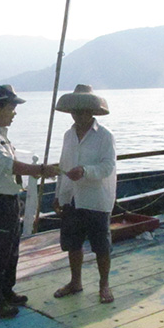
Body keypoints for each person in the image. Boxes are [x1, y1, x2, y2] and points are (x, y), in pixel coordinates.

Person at [0, 84, 60, 318]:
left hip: (8, 198)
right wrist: (39, 170)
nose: (14, 112)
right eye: (11, 107)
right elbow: (5, 165)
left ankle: (5, 291)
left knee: (10, 249)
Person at [52, 84, 117, 304]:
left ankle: (104, 284)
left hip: (96, 198)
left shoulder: (105, 136)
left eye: (83, 111)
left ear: (92, 112)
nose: (78, 115)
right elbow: (63, 165)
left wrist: (85, 171)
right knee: (73, 243)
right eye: (75, 111)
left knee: (101, 245)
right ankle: (75, 281)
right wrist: (58, 194)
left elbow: (108, 166)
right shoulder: (68, 136)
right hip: (72, 197)